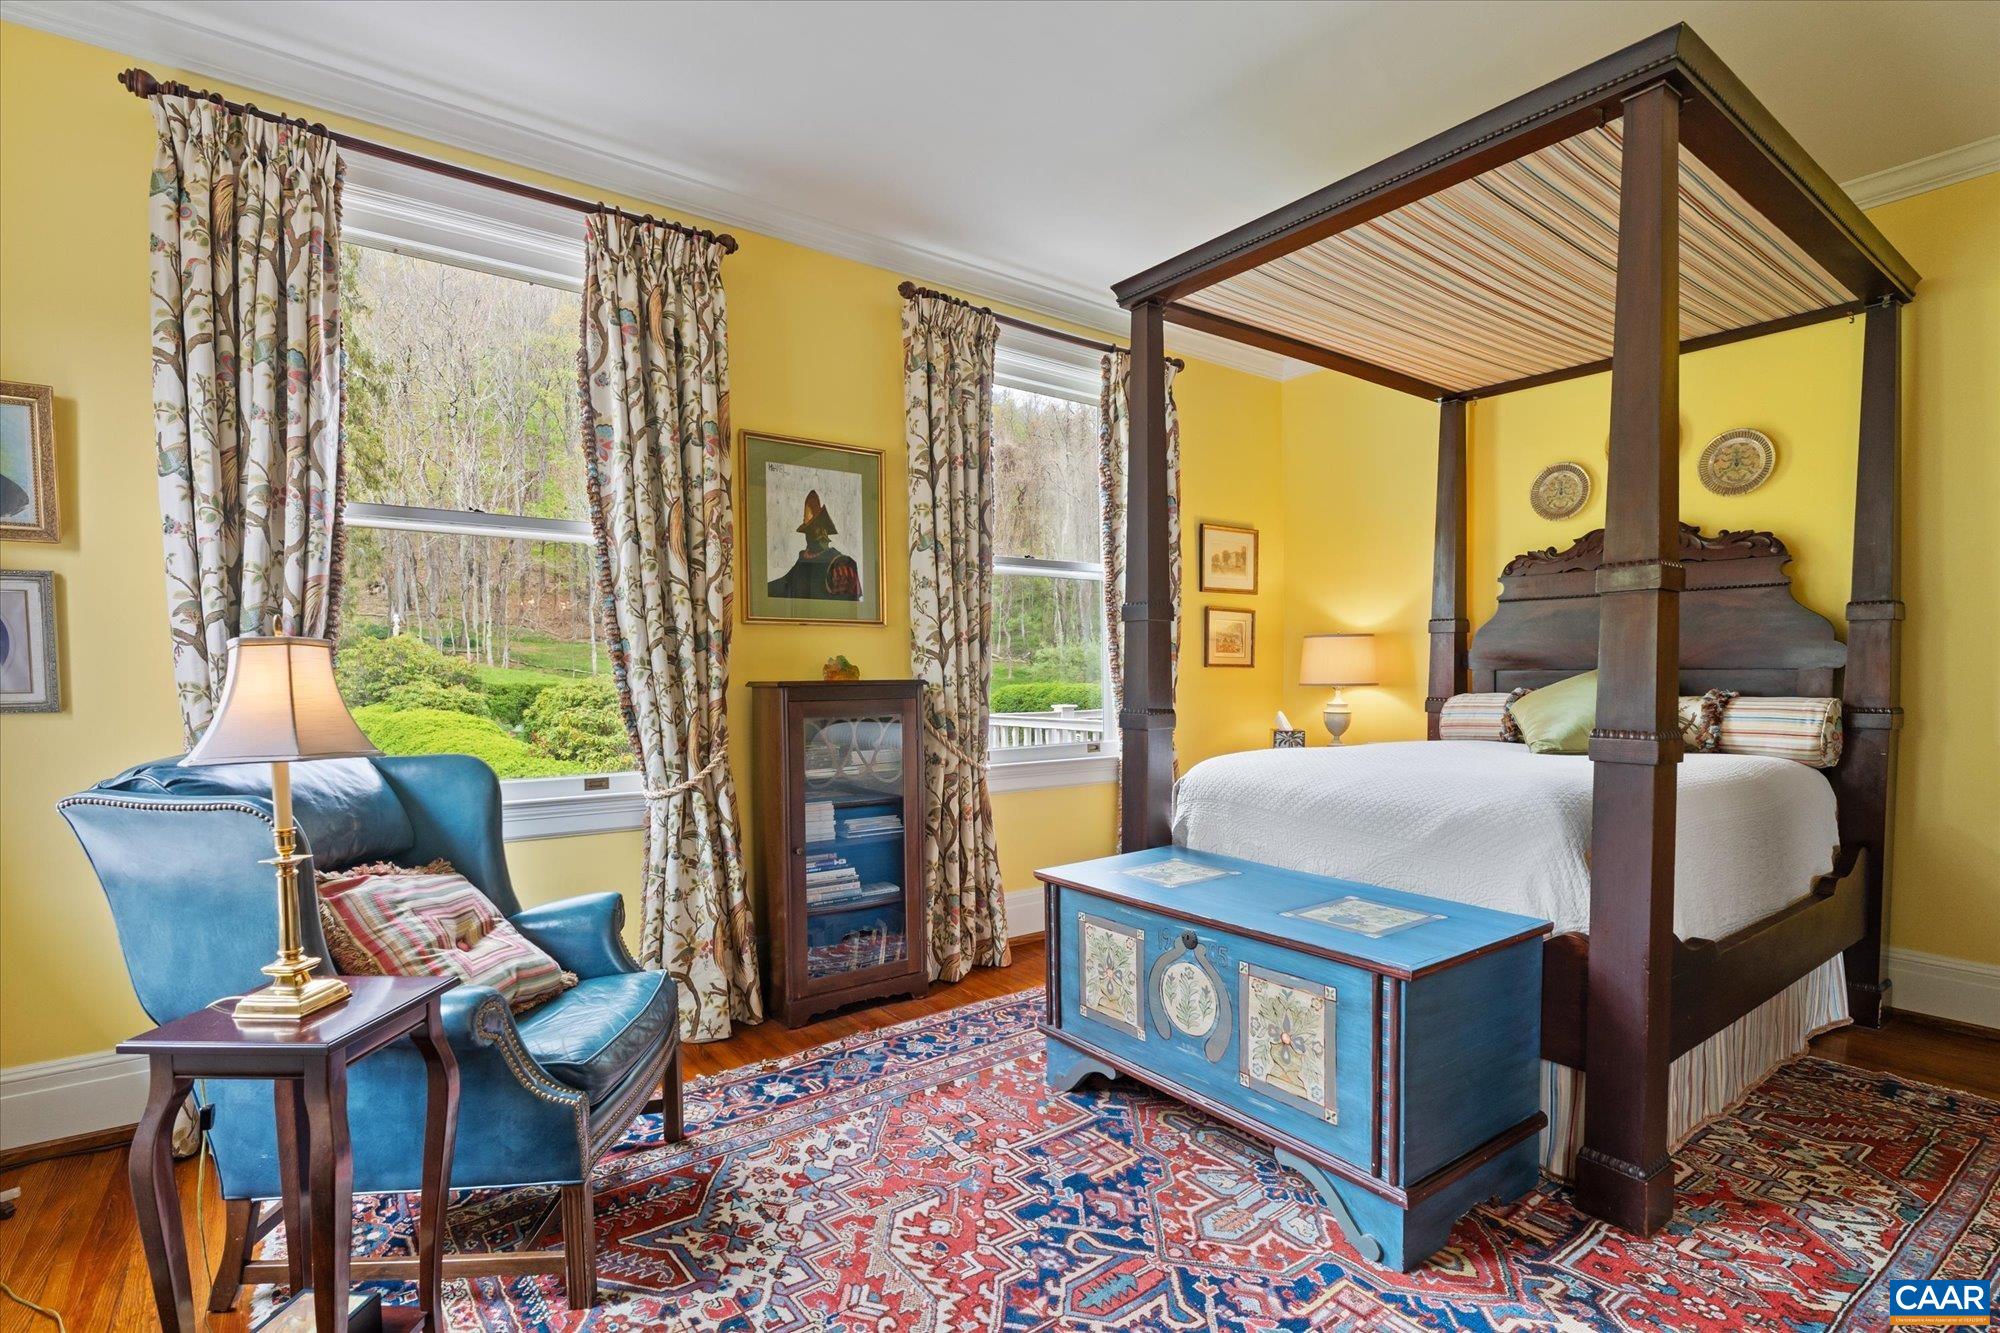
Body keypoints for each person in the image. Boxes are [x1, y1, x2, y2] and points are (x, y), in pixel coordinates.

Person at [768, 490, 861, 601]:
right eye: (809, 531)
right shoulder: (803, 562)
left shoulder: (841, 564)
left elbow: (848, 609)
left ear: (824, 531)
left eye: (815, 529)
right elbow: (784, 585)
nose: (812, 535)